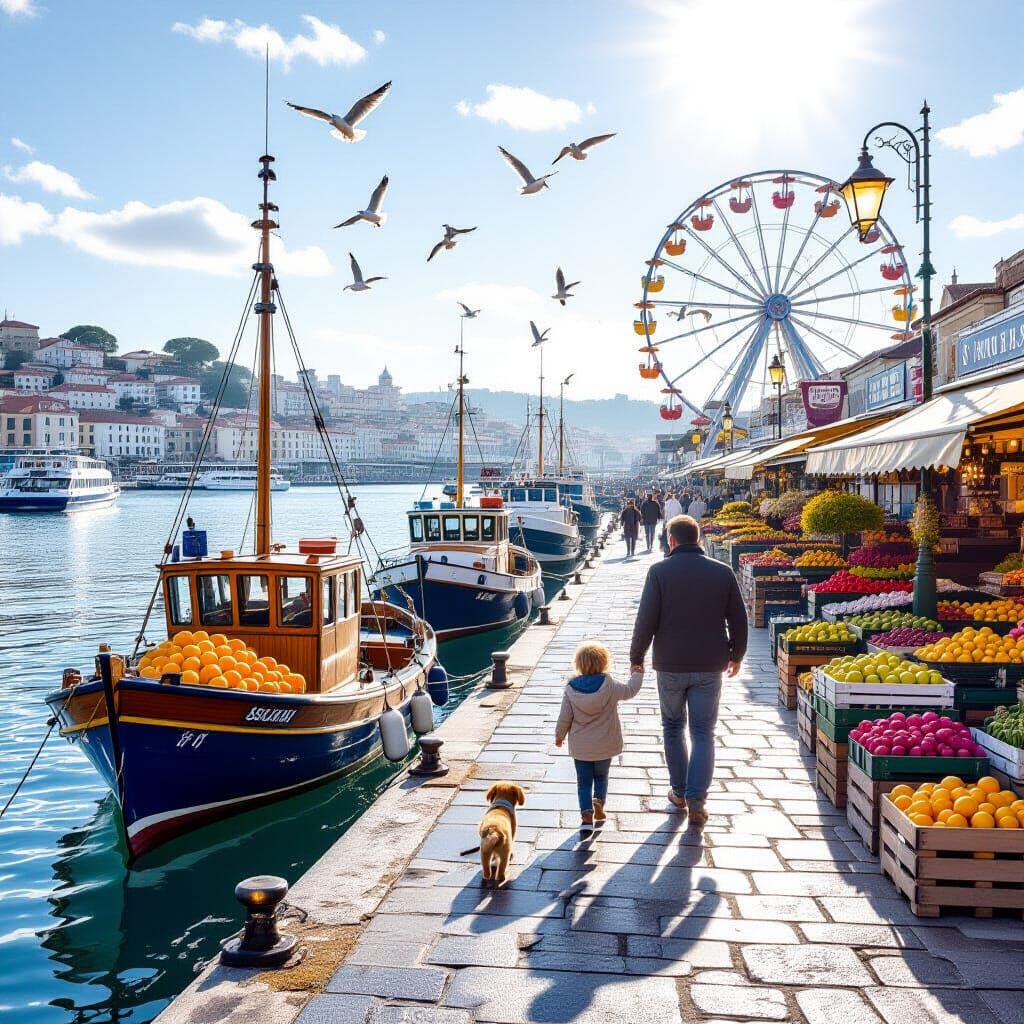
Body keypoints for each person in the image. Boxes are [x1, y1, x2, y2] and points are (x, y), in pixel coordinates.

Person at [629, 514, 748, 828]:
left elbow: (645, 620)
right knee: (703, 732)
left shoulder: (658, 572)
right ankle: (697, 801)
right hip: (710, 664)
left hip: (670, 664)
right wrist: (737, 654)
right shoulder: (722, 572)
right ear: (698, 539)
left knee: (672, 727)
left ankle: (680, 793)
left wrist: (636, 657)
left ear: (671, 540)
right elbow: (739, 618)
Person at [555, 641, 643, 830]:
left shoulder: (571, 689)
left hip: (581, 747)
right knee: (602, 777)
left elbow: (565, 717)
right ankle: (599, 803)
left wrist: (559, 736)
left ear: (578, 664)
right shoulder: (609, 685)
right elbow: (630, 690)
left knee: (583, 781)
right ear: (604, 663)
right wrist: (638, 673)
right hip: (605, 744)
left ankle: (586, 814)